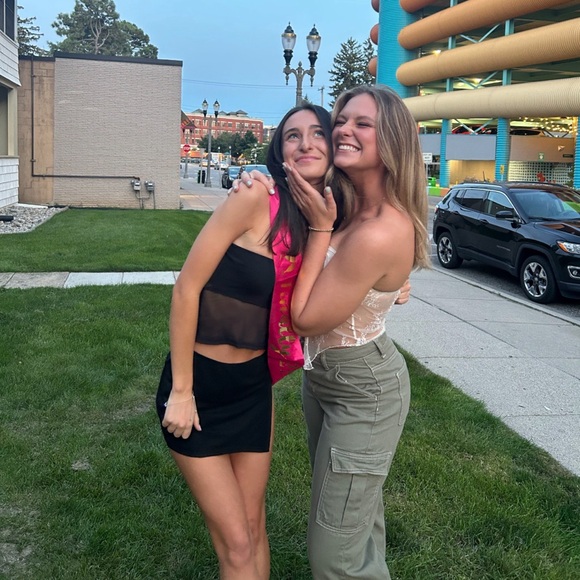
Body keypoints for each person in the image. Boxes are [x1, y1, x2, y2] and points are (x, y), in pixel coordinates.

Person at [241, 84, 429, 578]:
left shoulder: (378, 228)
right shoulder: (344, 202)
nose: (344, 129)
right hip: (324, 378)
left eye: (362, 124)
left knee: (333, 554)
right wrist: (256, 176)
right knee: (356, 524)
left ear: (391, 142)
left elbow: (305, 319)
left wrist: (324, 231)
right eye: (341, 120)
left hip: (364, 389)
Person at [155, 103, 334, 579]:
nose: (306, 143)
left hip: (253, 389)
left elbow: (343, 282)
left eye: (318, 133)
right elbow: (186, 288)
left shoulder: (325, 217)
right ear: (280, 151)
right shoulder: (256, 196)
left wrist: (395, 282)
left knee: (253, 529)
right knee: (236, 545)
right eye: (293, 135)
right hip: (199, 386)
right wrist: (182, 392)